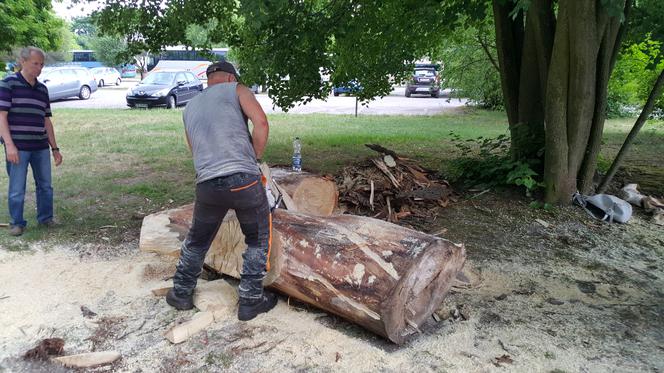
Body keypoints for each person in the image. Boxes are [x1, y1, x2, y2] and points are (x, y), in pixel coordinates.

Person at [166, 61, 276, 321]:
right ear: (230, 77)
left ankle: (181, 292)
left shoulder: (190, 106)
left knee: (197, 240)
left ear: (209, 79)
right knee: (258, 238)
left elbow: (194, 148)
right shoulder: (237, 89)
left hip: (207, 183)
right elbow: (261, 123)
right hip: (244, 180)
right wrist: (255, 157)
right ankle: (250, 300)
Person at [0, 47, 62, 236]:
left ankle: (46, 218)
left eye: (42, 64)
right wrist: (9, 145)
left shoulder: (42, 89)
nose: (39, 68)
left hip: (40, 146)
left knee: (45, 186)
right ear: (23, 61)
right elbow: (1, 117)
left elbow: (46, 120)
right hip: (18, 147)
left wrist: (55, 148)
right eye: (36, 63)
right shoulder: (8, 84)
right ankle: (17, 223)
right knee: (17, 188)